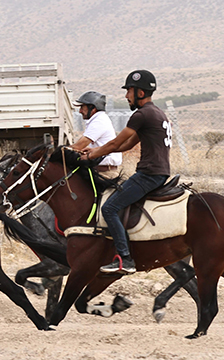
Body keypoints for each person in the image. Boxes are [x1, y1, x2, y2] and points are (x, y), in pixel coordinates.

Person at [81, 70, 171, 274]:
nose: (126, 96)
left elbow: (115, 142)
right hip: (159, 172)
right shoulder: (157, 113)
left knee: (109, 208)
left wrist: (91, 157)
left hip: (149, 174)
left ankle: (125, 258)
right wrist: (95, 150)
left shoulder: (141, 115)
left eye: (129, 91)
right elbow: (126, 145)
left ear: (140, 92)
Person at [70, 91, 122, 178]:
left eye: (82, 107)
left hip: (105, 173)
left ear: (93, 108)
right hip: (99, 170)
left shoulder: (99, 121)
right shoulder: (96, 120)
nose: (80, 111)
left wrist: (61, 152)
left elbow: (79, 145)